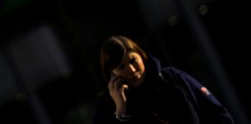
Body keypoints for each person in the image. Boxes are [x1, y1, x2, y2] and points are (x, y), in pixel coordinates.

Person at [93, 35, 235, 123]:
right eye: (121, 67)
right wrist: (121, 112)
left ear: (141, 56)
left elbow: (219, 115)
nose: (131, 70)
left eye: (133, 60)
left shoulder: (172, 78)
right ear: (112, 74)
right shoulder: (106, 107)